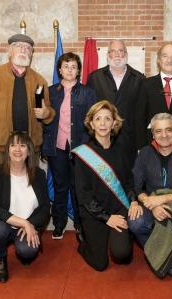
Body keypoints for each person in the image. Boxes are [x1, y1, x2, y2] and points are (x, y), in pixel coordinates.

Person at [128, 113, 172, 278]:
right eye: (159, 131)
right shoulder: (144, 153)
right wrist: (152, 204)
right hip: (152, 207)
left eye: (168, 130)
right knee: (135, 222)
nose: (164, 135)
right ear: (153, 134)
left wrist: (163, 199)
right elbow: (136, 186)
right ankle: (156, 250)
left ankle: (167, 248)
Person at [73, 100, 138, 271]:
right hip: (94, 212)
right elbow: (84, 195)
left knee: (122, 254)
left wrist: (133, 201)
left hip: (118, 207)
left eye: (107, 119)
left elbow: (128, 182)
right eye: (98, 119)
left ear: (114, 123)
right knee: (100, 265)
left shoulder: (121, 149)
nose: (102, 123)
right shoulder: (82, 154)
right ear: (91, 123)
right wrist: (107, 218)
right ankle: (84, 240)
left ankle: (123, 239)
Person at [0, 33, 55, 167]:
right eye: (18, 46)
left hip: (30, 147)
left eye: (28, 47)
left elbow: (48, 110)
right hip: (0, 145)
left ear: (31, 54)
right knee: (1, 184)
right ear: (9, 51)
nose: (23, 49)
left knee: (29, 185)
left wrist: (47, 114)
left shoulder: (39, 80)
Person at [42, 52, 97, 240]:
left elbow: (93, 122)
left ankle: (80, 225)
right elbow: (43, 120)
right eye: (66, 66)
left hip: (79, 148)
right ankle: (59, 223)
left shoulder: (88, 93)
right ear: (59, 70)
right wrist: (44, 146)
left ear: (79, 70)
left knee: (77, 187)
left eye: (73, 67)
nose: (69, 70)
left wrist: (88, 146)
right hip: (56, 147)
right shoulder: (50, 92)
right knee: (60, 186)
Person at [0, 132, 50, 283]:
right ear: (7, 150)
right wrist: (23, 222)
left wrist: (30, 223)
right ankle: (1, 259)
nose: (17, 149)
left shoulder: (38, 174)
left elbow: (45, 207)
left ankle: (22, 252)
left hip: (28, 225)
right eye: (13, 145)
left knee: (27, 251)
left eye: (22, 145)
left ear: (29, 151)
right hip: (5, 224)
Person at [87, 40, 145, 163]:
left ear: (126, 54)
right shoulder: (95, 77)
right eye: (113, 51)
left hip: (130, 142)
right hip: (102, 139)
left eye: (121, 51)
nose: (117, 55)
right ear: (108, 55)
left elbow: (142, 114)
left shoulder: (139, 78)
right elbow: (90, 112)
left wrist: (141, 145)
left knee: (129, 179)